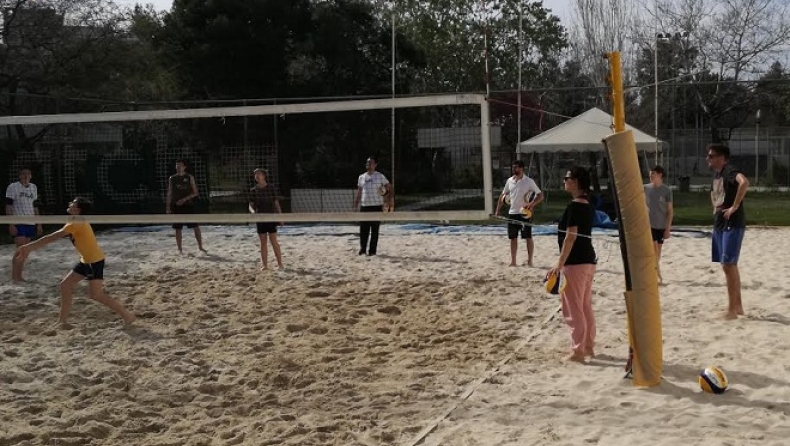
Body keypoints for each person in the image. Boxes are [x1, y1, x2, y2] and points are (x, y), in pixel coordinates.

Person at [13, 197, 135, 326]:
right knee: (65, 285)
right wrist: (29, 248)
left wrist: (28, 247)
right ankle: (62, 321)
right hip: (86, 260)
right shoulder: (75, 221)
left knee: (96, 295)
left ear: (77, 209)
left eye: (73, 203)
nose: (70, 204)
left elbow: (51, 237)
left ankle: (127, 315)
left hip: (93, 262)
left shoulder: (76, 223)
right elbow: (51, 237)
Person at [547, 166, 597, 362]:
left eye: (566, 178)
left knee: (573, 308)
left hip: (575, 262)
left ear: (576, 182)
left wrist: (559, 264)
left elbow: (571, 237)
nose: (564, 181)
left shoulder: (574, 207)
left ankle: (578, 351)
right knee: (584, 306)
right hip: (589, 260)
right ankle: (588, 346)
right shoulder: (587, 204)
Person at [707, 143, 749, 319]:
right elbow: (716, 196)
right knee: (729, 266)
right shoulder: (718, 175)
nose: (708, 158)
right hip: (720, 223)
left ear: (722, 158)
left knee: (728, 265)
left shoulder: (729, 170)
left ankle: (732, 310)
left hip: (731, 222)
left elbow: (744, 183)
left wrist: (734, 206)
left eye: (711, 156)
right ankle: (737, 306)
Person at [494, 159, 543, 267]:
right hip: (512, 213)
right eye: (513, 167)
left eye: (516, 167)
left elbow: (540, 195)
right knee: (513, 238)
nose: (513, 169)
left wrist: (532, 204)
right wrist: (497, 210)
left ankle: (530, 261)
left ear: (521, 168)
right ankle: (513, 261)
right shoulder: (509, 181)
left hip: (525, 213)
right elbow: (503, 196)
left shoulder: (529, 181)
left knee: (528, 237)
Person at [6, 168, 43, 282]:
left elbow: (35, 206)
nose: (26, 176)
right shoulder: (13, 187)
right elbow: (8, 206)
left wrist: (39, 224)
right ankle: (14, 276)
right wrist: (11, 223)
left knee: (25, 251)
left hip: (30, 221)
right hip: (19, 221)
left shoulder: (33, 187)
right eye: (23, 174)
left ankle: (19, 276)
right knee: (20, 249)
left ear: (31, 176)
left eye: (28, 174)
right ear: (20, 176)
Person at [352, 157, 392, 256]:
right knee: (363, 230)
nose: (369, 164)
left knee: (374, 231)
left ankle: (372, 251)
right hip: (365, 206)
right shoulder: (361, 177)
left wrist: (387, 200)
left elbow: (389, 187)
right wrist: (356, 203)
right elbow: (360, 191)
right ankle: (362, 249)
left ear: (375, 165)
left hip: (376, 206)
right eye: (367, 163)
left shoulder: (380, 176)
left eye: (371, 163)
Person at [166, 159, 206, 254]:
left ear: (184, 167)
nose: (178, 167)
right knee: (178, 228)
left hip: (188, 205)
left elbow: (195, 192)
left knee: (195, 226)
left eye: (180, 166)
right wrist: (168, 207)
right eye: (177, 166)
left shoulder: (189, 177)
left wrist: (184, 199)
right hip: (176, 205)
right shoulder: (172, 178)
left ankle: (200, 247)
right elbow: (169, 193)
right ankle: (180, 249)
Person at [248, 168, 284, 270]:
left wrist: (281, 217)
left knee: (274, 241)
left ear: (264, 176)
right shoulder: (253, 190)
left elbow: (276, 203)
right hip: (260, 218)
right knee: (263, 242)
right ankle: (265, 265)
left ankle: (280, 264)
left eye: (258, 174)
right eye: (255, 174)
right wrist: (253, 212)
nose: (256, 176)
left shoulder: (271, 188)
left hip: (271, 217)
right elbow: (250, 205)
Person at [644, 165, 673, 283]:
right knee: (652, 249)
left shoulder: (666, 190)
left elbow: (670, 211)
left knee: (658, 253)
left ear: (660, 175)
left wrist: (667, 229)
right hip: (648, 225)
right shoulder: (645, 188)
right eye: (650, 174)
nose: (650, 176)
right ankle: (654, 275)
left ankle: (656, 272)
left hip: (661, 225)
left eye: (653, 174)